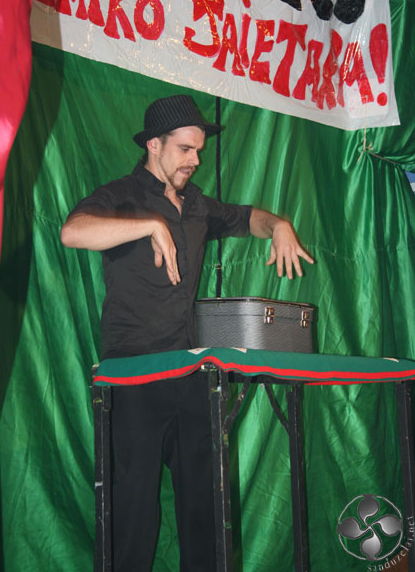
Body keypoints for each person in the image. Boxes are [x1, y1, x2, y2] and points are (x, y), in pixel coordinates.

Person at [60, 94, 314, 571]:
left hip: (190, 371)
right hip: (132, 375)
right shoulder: (121, 195)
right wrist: (149, 225)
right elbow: (73, 232)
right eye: (184, 149)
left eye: (198, 150)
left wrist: (278, 225)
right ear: (154, 145)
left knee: (206, 507)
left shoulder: (198, 204)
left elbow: (248, 218)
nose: (195, 160)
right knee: (132, 514)